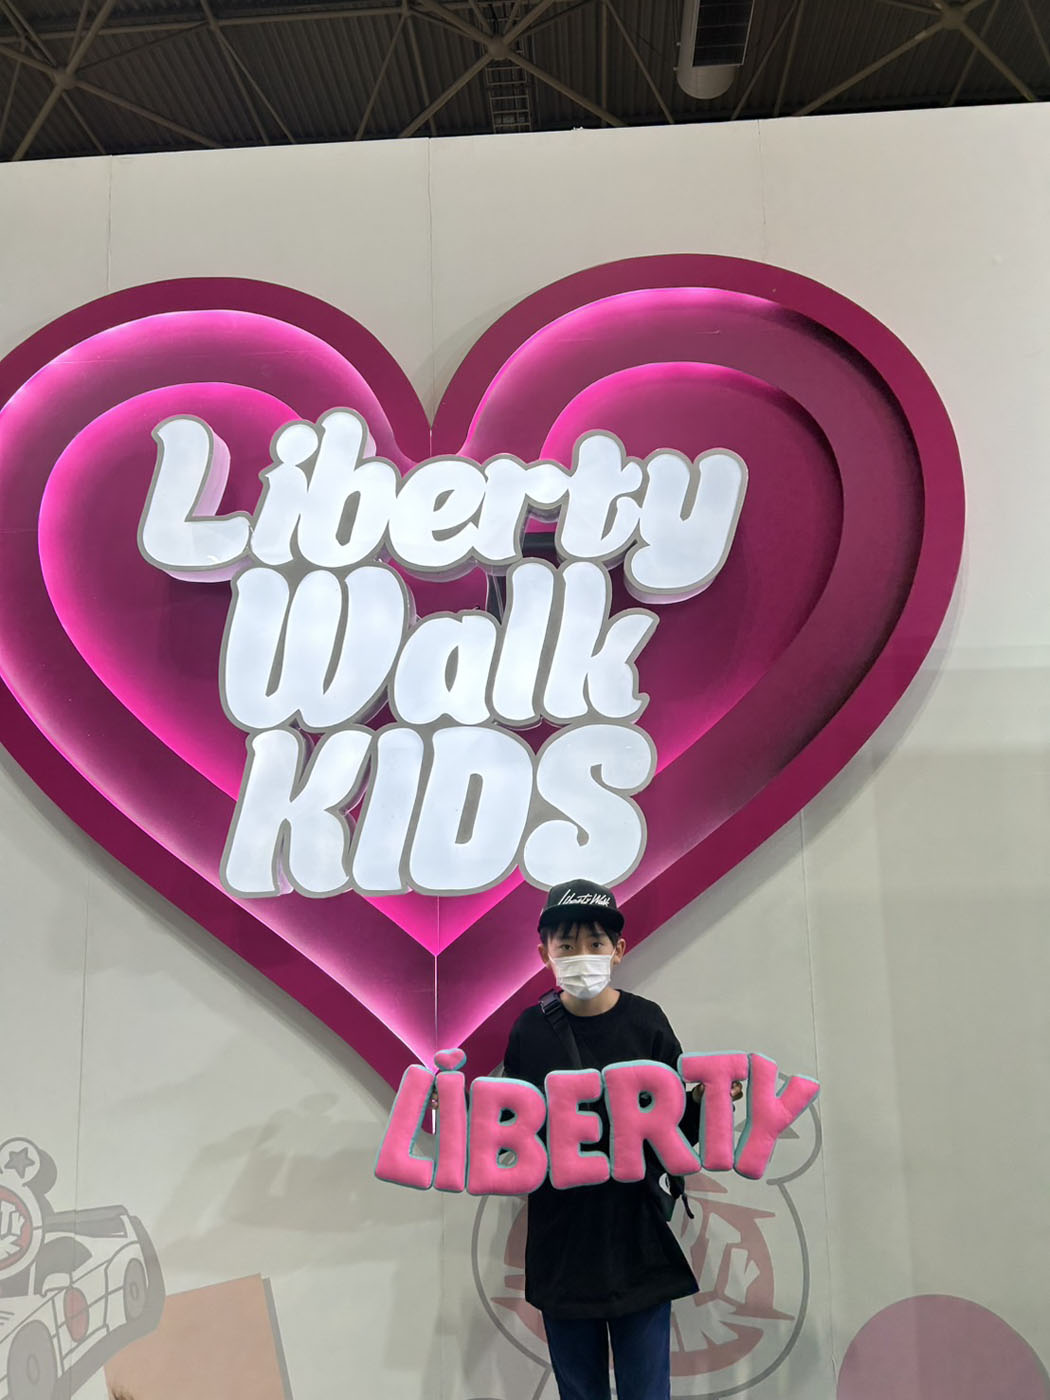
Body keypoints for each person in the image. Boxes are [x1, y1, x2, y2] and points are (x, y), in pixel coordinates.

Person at [502, 878, 739, 1400]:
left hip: (637, 1239)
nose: (581, 956)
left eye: (595, 943)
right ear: (544, 953)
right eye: (567, 945)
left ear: (618, 949)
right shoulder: (528, 1030)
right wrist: (455, 1112)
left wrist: (706, 1100)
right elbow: (509, 1129)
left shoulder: (646, 1022)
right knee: (578, 1391)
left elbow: (678, 1131)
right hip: (561, 1244)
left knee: (647, 1389)